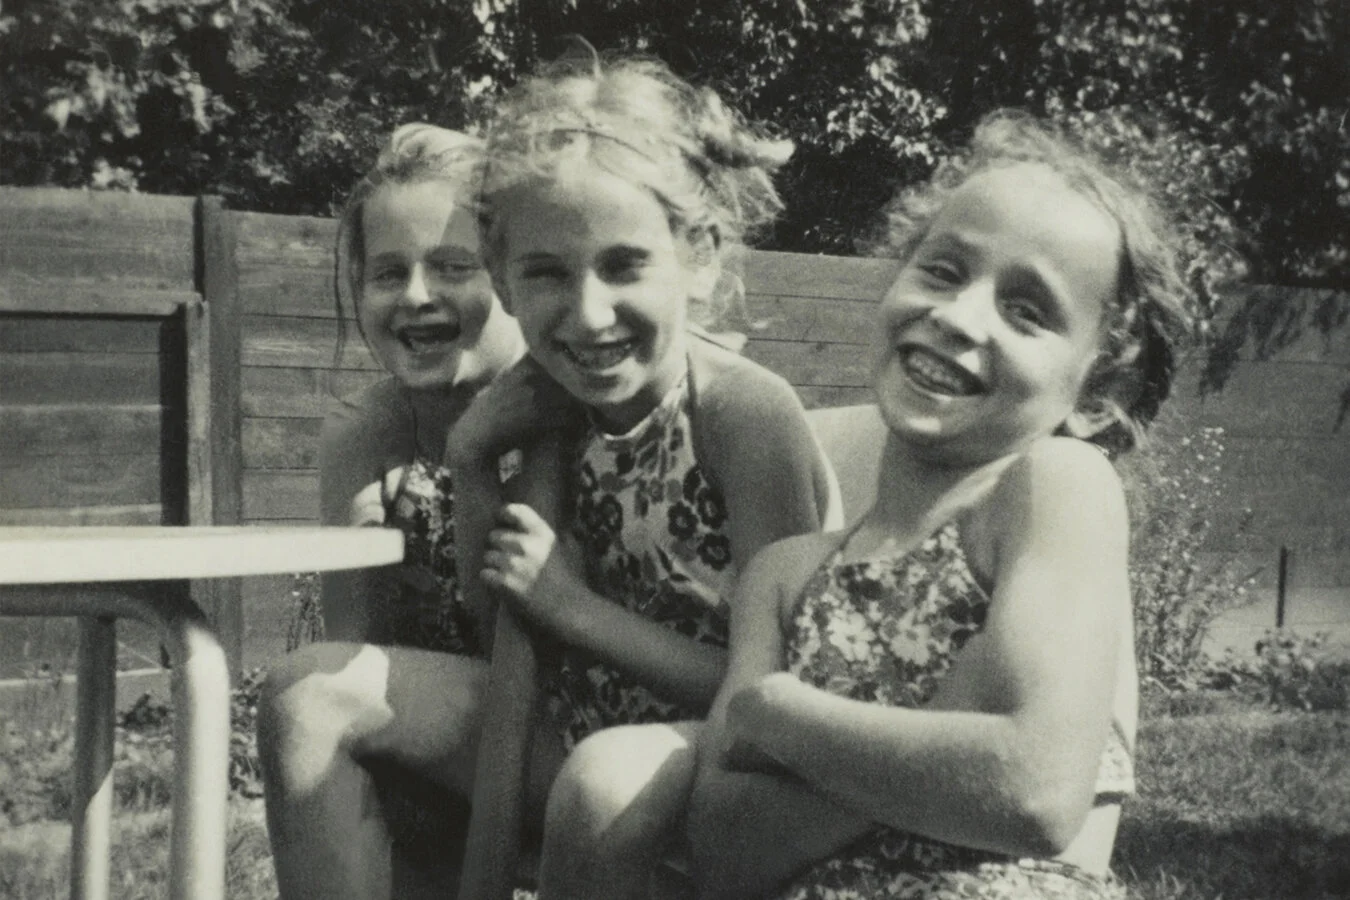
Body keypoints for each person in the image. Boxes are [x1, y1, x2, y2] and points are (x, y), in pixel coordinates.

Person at [685, 109, 1196, 900]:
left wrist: (780, 715)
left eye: (1027, 311)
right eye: (943, 271)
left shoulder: (1053, 489)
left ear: (1099, 393)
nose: (957, 316)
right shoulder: (783, 577)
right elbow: (723, 851)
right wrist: (954, 716)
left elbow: (1033, 792)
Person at [446, 51, 841, 900]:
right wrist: (471, 459)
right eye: (547, 271)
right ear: (501, 274)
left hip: (718, 757)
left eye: (623, 265)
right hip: (575, 725)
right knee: (310, 701)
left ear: (700, 255)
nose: (589, 315)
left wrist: (571, 609)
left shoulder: (741, 417)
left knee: (600, 782)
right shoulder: (547, 409)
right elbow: (497, 630)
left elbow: (778, 702)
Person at [256, 123, 531, 900]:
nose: (415, 295)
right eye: (388, 273)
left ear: (514, 276)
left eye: (452, 266)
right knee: (317, 704)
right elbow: (355, 653)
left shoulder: (564, 404)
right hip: (448, 741)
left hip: (575, 721)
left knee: (310, 699)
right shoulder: (365, 432)